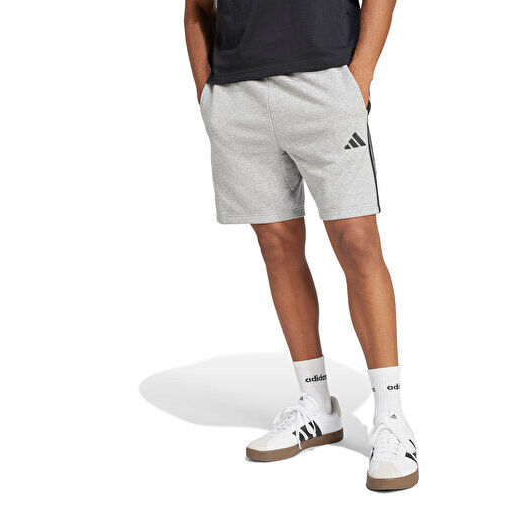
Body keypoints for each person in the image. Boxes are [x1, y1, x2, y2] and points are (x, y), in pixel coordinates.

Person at [184, 0, 417, 491]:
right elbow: (197, 9)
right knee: (277, 246)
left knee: (357, 243)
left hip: (326, 83)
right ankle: (317, 405)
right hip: (238, 95)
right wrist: (206, 94)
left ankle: (391, 418)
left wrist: (359, 78)